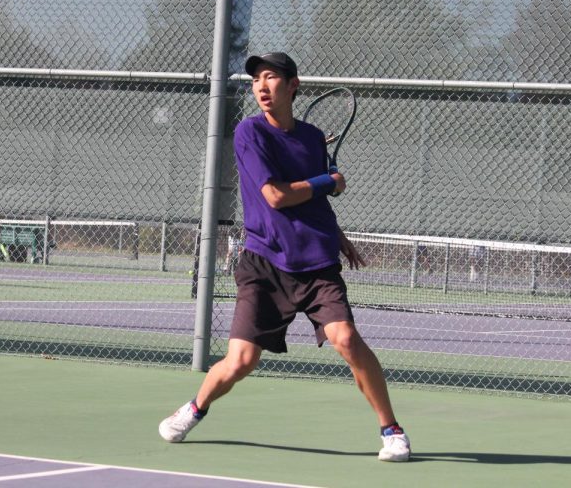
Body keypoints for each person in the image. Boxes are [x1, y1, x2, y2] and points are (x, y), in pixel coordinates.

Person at [158, 52, 411, 462]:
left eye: (271, 77)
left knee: (345, 339)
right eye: (256, 78)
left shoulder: (312, 138)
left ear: (293, 85)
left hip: (316, 263)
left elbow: (310, 199)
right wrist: (327, 182)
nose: (261, 86)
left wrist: (336, 233)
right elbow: (276, 196)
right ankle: (193, 409)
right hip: (263, 264)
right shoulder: (248, 133)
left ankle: (392, 430)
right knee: (241, 361)